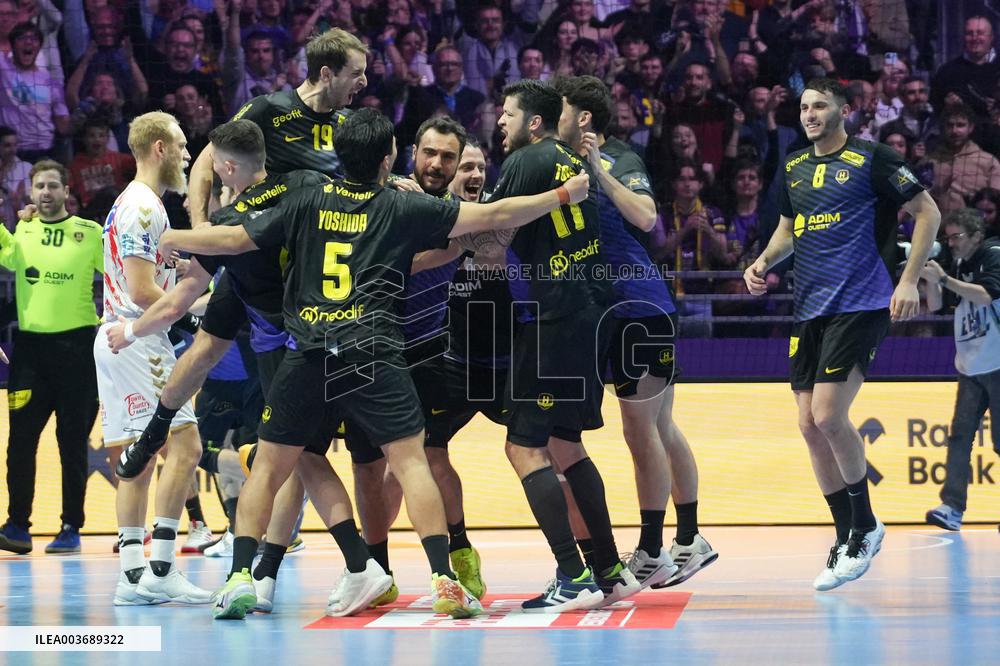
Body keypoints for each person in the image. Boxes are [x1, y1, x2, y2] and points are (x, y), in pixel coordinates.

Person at [154, 107, 593, 621]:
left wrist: (173, 236)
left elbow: (234, 240)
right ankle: (444, 579)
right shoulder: (403, 206)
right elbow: (497, 216)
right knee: (411, 463)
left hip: (310, 351)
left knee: (269, 468)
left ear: (340, 155)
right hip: (375, 352)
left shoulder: (306, 197)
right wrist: (563, 194)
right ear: (390, 158)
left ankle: (239, 578)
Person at [107, 119, 386, 616]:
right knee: (299, 457)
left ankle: (353, 565)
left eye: (212, 161)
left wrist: (129, 330)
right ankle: (267, 575)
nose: (205, 166)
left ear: (228, 166)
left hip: (293, 348)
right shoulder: (304, 182)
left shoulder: (230, 225)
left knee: (291, 460)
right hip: (342, 332)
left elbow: (179, 301)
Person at [743, 78, 941, 591]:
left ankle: (866, 526)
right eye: (804, 107)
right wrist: (762, 262)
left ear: (844, 110)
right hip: (809, 307)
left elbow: (928, 212)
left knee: (829, 415)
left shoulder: (874, 158)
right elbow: (788, 230)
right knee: (809, 425)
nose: (809, 114)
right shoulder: (793, 166)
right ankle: (845, 535)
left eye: (819, 106)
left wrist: (908, 280)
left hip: (863, 302)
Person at [557, 75, 717, 589]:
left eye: (561, 109)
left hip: (640, 308)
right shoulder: (560, 161)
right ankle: (689, 538)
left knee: (641, 430)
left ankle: (651, 549)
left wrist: (599, 172)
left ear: (584, 118)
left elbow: (647, 218)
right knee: (661, 427)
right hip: (615, 310)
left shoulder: (620, 158)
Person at [488, 79, 638, 610]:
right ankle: (610, 569)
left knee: (522, 447)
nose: (499, 121)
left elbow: (489, 235)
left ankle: (572, 575)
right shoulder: (575, 162)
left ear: (534, 123)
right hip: (592, 313)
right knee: (566, 444)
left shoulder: (526, 160)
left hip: (554, 317)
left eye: (508, 114)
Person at [94, 111, 212, 607]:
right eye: (181, 145)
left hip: (115, 337)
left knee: (137, 461)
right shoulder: (144, 206)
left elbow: (142, 277)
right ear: (159, 148)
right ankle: (161, 568)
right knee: (186, 447)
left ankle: (132, 576)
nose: (187, 155)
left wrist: (176, 269)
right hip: (136, 339)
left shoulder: (134, 202)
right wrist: (193, 307)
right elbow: (142, 291)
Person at [0, 160, 101, 555]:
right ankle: (17, 526)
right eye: (39, 186)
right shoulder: (22, 232)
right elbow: (5, 253)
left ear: (66, 191)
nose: (45, 192)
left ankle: (70, 527)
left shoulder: (89, 233)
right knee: (20, 443)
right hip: (30, 355)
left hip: (78, 352)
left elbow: (120, 276)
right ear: (30, 192)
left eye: (53, 185)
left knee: (72, 443)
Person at [921, 208, 1000, 531]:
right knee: (959, 437)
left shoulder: (993, 254)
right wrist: (931, 278)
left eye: (957, 236)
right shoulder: (956, 264)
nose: (951, 243)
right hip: (970, 366)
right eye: (948, 237)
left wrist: (943, 278)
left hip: (998, 363)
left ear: (977, 236)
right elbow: (936, 306)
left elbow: (985, 296)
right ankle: (952, 508)